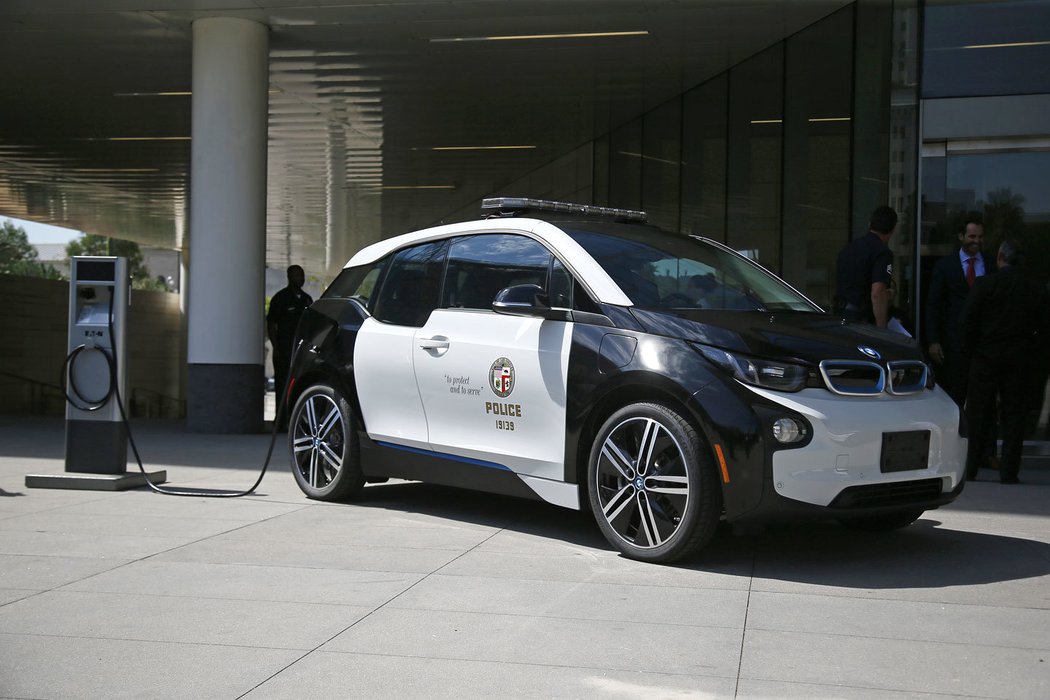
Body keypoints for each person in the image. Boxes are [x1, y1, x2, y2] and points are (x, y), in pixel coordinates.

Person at [959, 239, 1050, 483]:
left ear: (1000, 258)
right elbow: (1044, 330)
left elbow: (967, 321)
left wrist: (972, 350)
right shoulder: (1034, 289)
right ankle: (1009, 471)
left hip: (986, 356)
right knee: (1014, 415)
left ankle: (971, 468)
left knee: (977, 414)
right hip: (1018, 358)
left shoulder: (984, 284)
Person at [925, 212, 995, 405]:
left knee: (982, 398)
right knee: (954, 396)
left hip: (983, 345)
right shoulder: (945, 266)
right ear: (961, 236)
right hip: (954, 345)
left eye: (980, 237)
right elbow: (934, 304)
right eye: (972, 236)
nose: (977, 241)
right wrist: (933, 341)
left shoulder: (991, 264)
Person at [833, 205, 897, 328]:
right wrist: (882, 329)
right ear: (892, 230)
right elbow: (877, 292)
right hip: (861, 318)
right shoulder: (882, 252)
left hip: (840, 313)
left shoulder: (849, 248)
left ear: (870, 224)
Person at [268, 265, 313, 425]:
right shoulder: (280, 298)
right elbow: (271, 324)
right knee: (282, 385)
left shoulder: (307, 299)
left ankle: (298, 420)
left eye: (302, 275)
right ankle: (280, 421)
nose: (300, 279)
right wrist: (276, 347)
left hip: (301, 351)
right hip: (284, 349)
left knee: (300, 384)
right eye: (296, 276)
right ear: (289, 277)